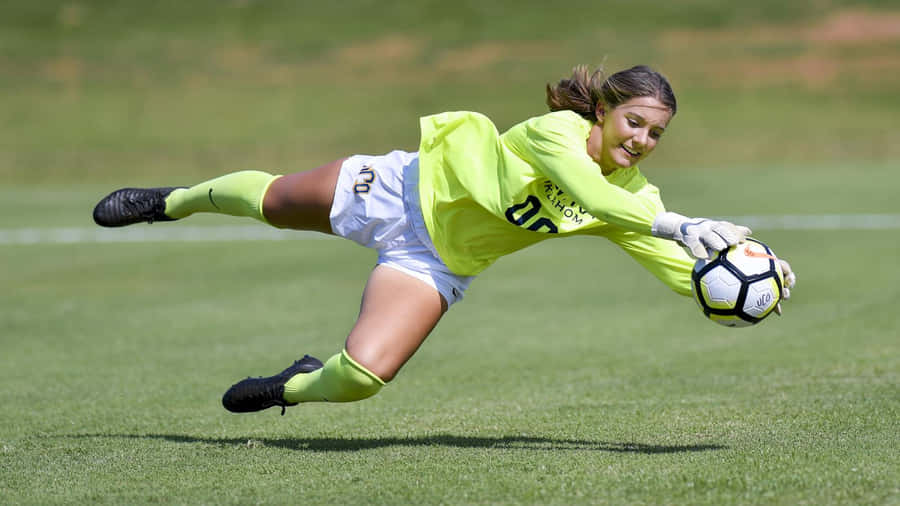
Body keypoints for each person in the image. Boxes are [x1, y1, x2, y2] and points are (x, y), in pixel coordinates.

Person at [93, 64, 796, 415]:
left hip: (434, 259)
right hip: (402, 191)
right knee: (276, 202)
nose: (641, 141)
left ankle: (291, 384)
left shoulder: (635, 201)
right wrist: (678, 223)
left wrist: (740, 273)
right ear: (605, 110)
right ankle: (172, 201)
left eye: (656, 135)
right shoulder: (558, 135)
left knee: (364, 377)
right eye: (634, 123)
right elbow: (585, 193)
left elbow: (672, 264)